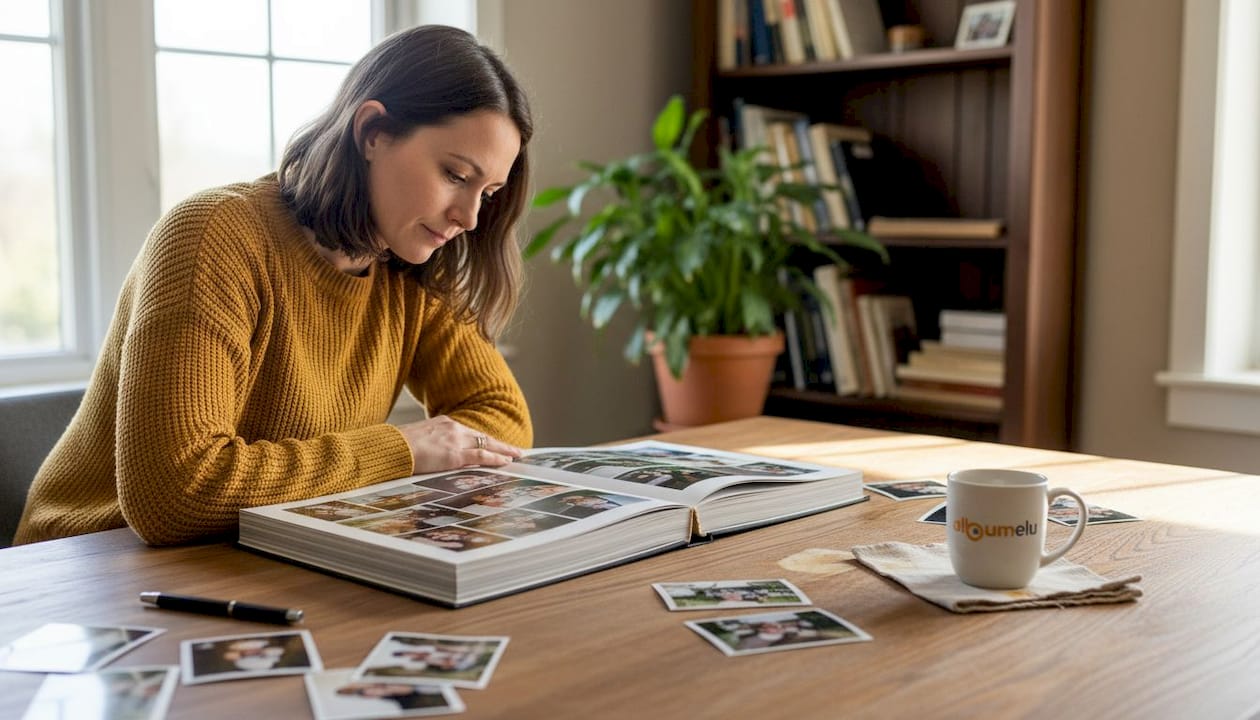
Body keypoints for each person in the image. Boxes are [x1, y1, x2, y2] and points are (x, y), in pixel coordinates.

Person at [14, 25, 534, 546]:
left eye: (487, 193)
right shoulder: (213, 235)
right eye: (455, 175)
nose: (469, 217)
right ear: (373, 132)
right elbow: (178, 492)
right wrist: (402, 450)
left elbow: (502, 418)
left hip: (252, 551)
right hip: (89, 564)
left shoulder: (410, 266)